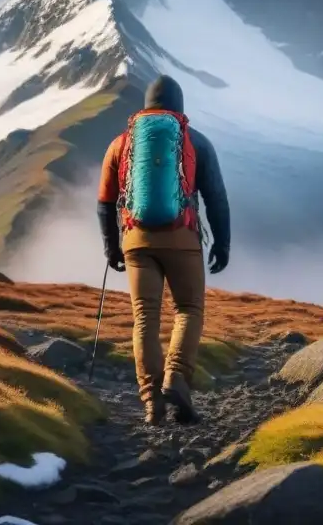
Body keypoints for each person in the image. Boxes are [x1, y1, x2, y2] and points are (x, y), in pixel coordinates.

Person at [96, 75, 230, 425]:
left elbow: (105, 202)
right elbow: (216, 197)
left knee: (145, 318)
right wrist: (223, 243)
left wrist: (112, 248)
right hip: (182, 239)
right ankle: (176, 378)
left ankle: (152, 406)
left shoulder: (120, 144)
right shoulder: (195, 141)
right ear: (179, 106)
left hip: (136, 241)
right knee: (188, 310)